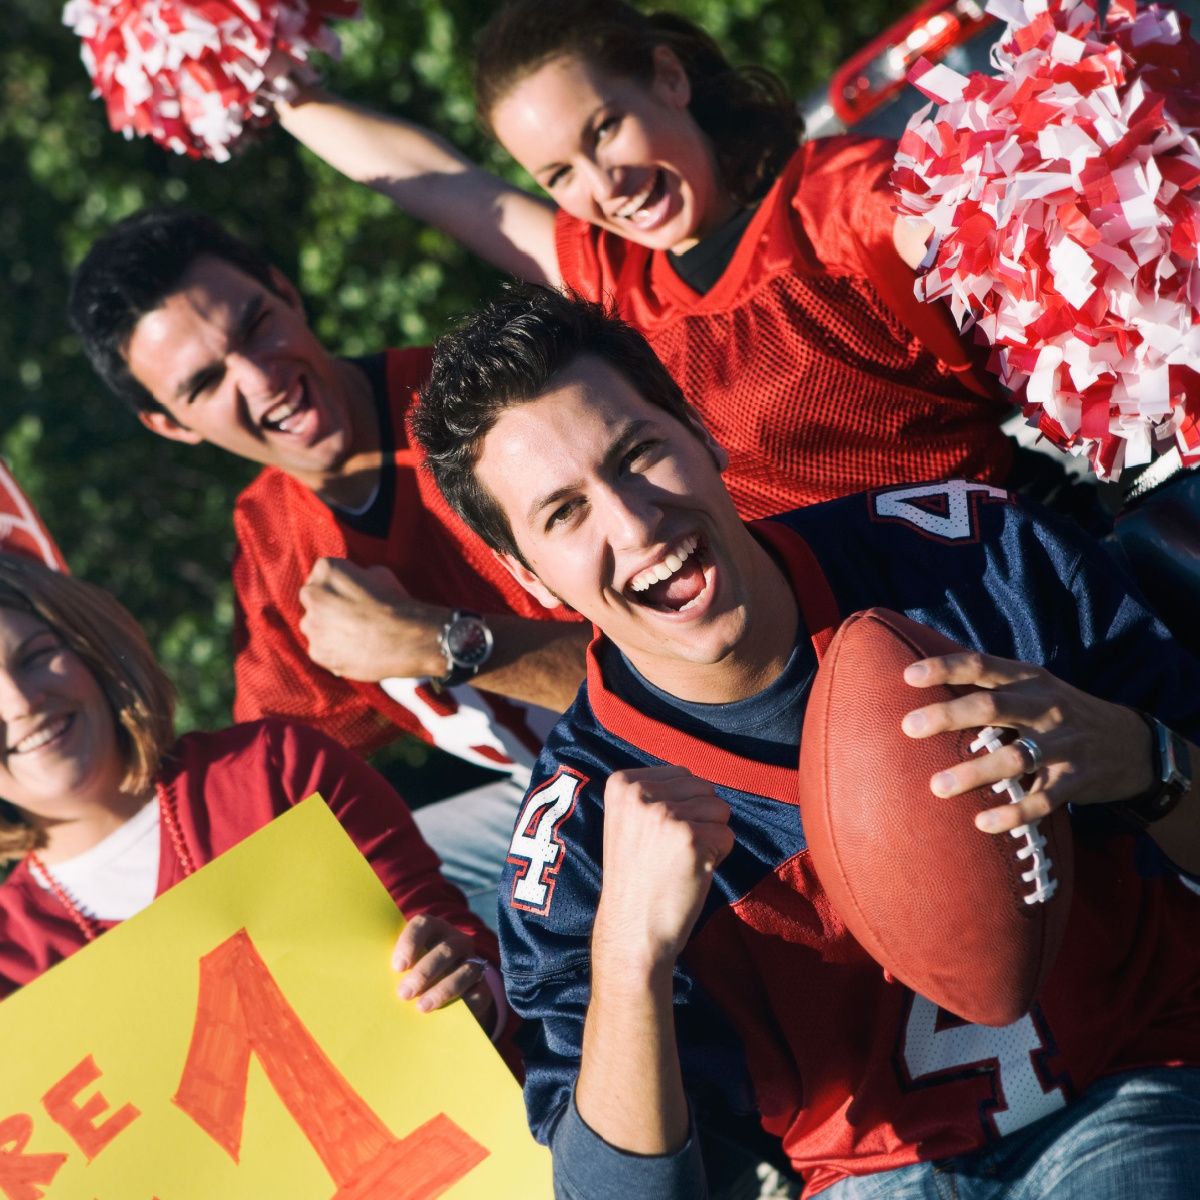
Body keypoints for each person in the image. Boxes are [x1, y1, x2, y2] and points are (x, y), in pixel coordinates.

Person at [411, 285, 1200, 1199]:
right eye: (564, 514)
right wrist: (630, 956)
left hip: (1131, 1085)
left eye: (638, 456)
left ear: (702, 438)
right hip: (872, 1176)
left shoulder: (973, 560)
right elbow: (613, 1194)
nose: (633, 524)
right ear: (524, 573)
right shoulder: (580, 827)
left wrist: (1147, 761)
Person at [275, 0, 1096, 524]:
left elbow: (1041, 234)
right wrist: (262, 75)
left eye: (604, 130)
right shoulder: (610, 281)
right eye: (559, 174)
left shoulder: (839, 206)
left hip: (1022, 585)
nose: (606, 187)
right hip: (838, 665)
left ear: (667, 78)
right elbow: (440, 185)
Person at [67, 209, 590, 920]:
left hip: (694, 737)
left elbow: (710, 662)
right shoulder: (272, 545)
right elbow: (264, 806)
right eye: (205, 383)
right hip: (558, 784)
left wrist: (438, 643)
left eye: (254, 326)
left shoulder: (499, 406)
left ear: (286, 290)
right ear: (169, 424)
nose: (259, 379)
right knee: (335, 905)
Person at [0, 555, 508, 1056]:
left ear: (93, 653)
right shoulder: (9, 966)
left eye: (36, 655)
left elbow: (457, 944)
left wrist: (473, 990)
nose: (20, 702)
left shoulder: (276, 772)